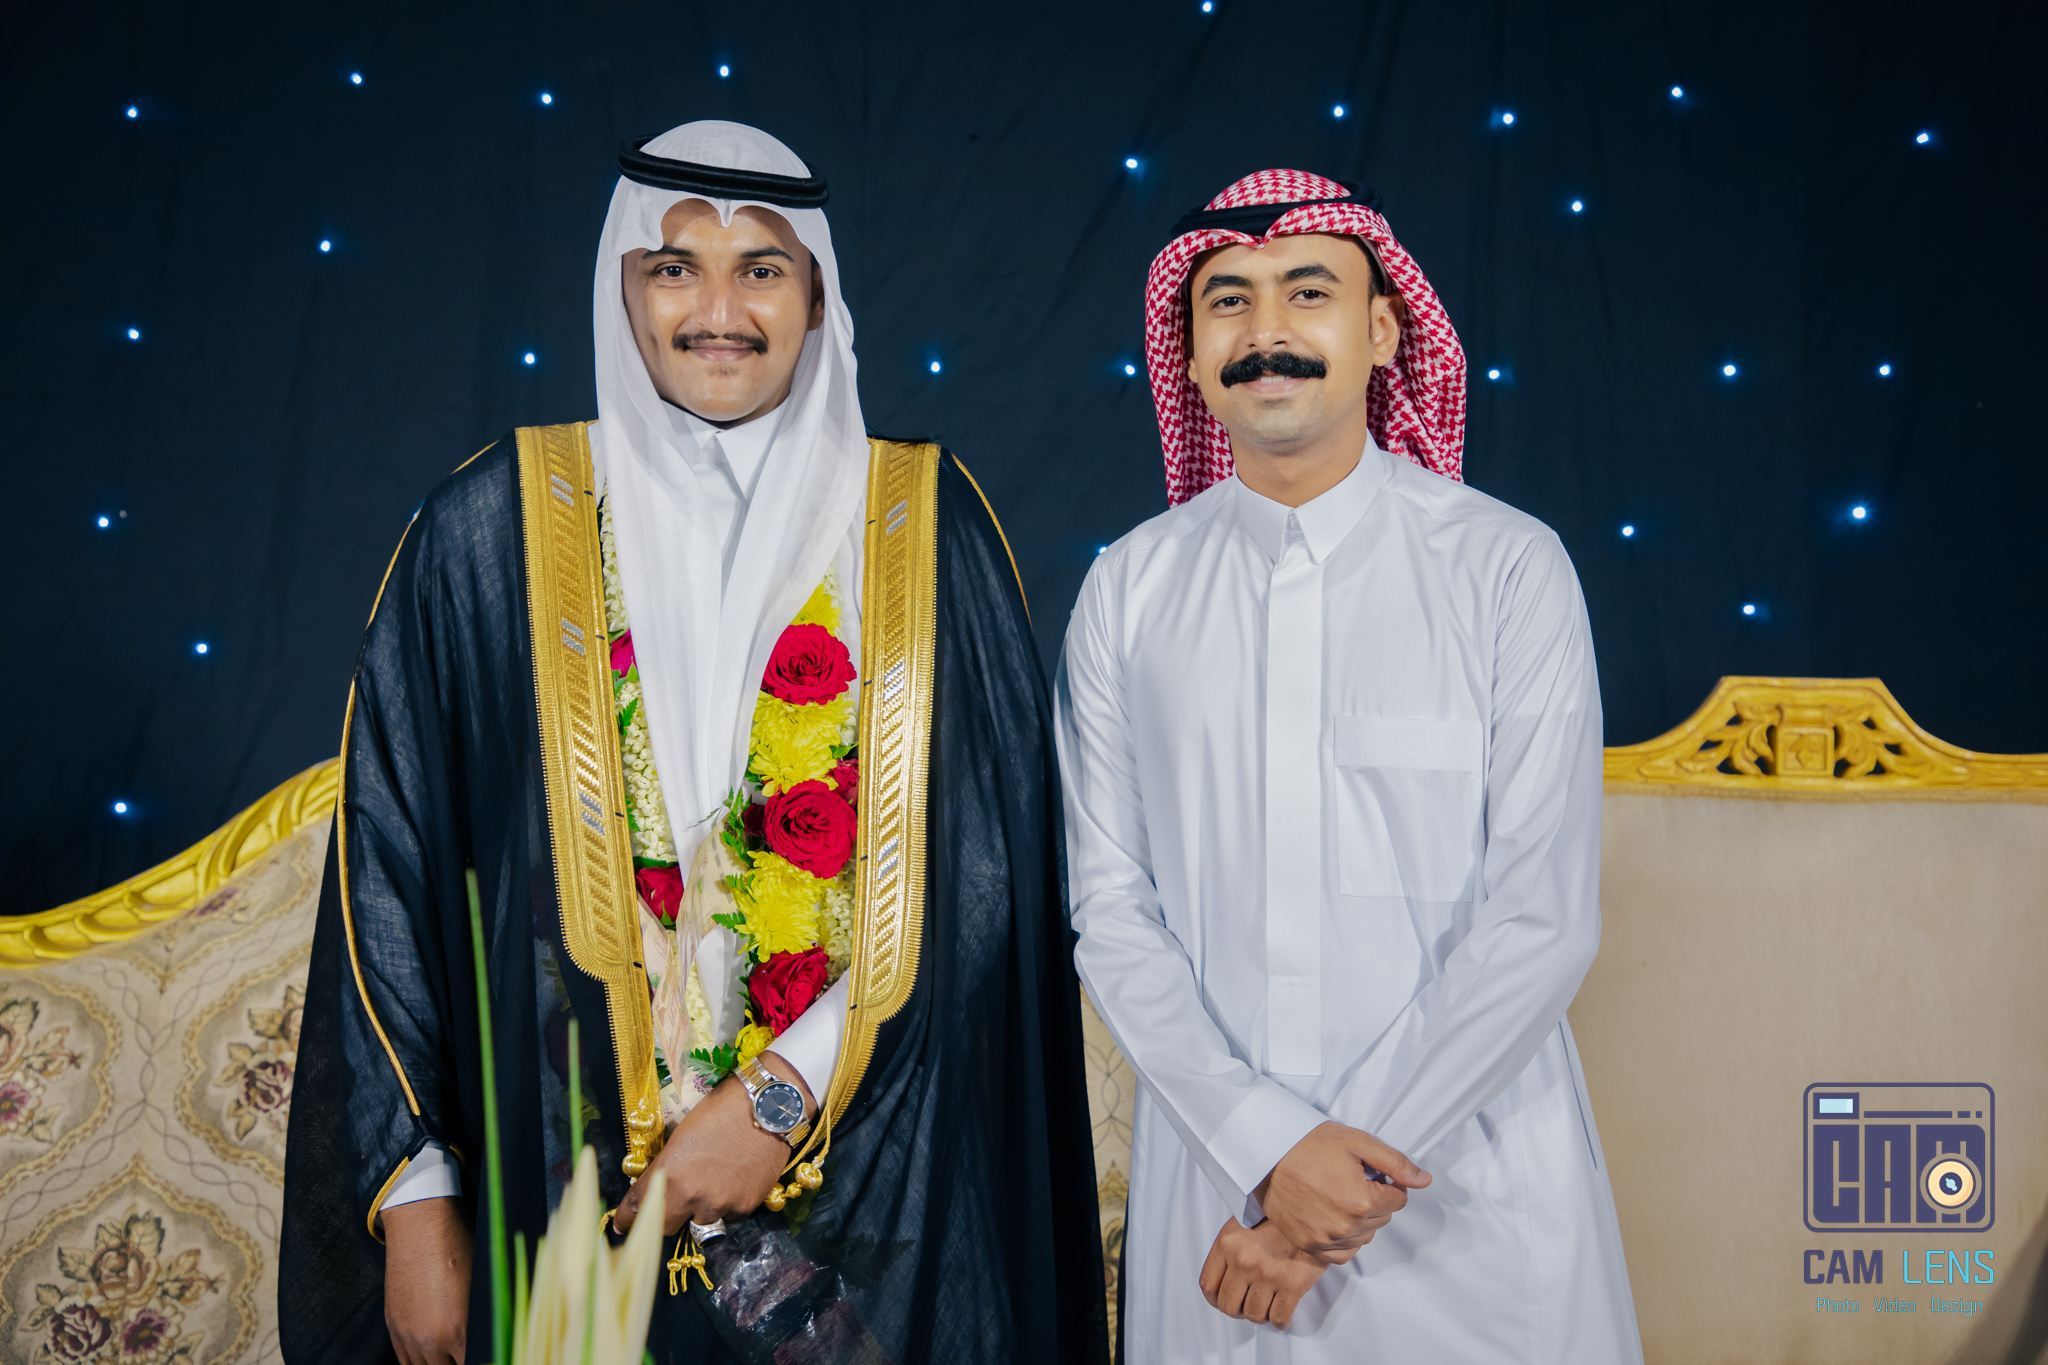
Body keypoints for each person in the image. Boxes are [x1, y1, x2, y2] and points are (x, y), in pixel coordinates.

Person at [282, 120, 1107, 1365]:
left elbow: (989, 881)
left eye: (760, 269)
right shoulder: (487, 528)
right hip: (550, 1185)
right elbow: (387, 879)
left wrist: (777, 1097)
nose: (718, 311)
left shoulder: (923, 526)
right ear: (621, 289)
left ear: (816, 295)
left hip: (869, 1170)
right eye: (674, 268)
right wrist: (414, 1201)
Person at [1055, 168, 1642, 1362]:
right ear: (1188, 353)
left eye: (1307, 292)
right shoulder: (1128, 591)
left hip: (1461, 1190)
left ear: (1381, 331)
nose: (1265, 330)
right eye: (1227, 301)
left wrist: (1333, 1183)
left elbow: (1538, 920)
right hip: (1219, 1191)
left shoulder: (1506, 569)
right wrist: (1266, 1149)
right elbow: (1109, 912)